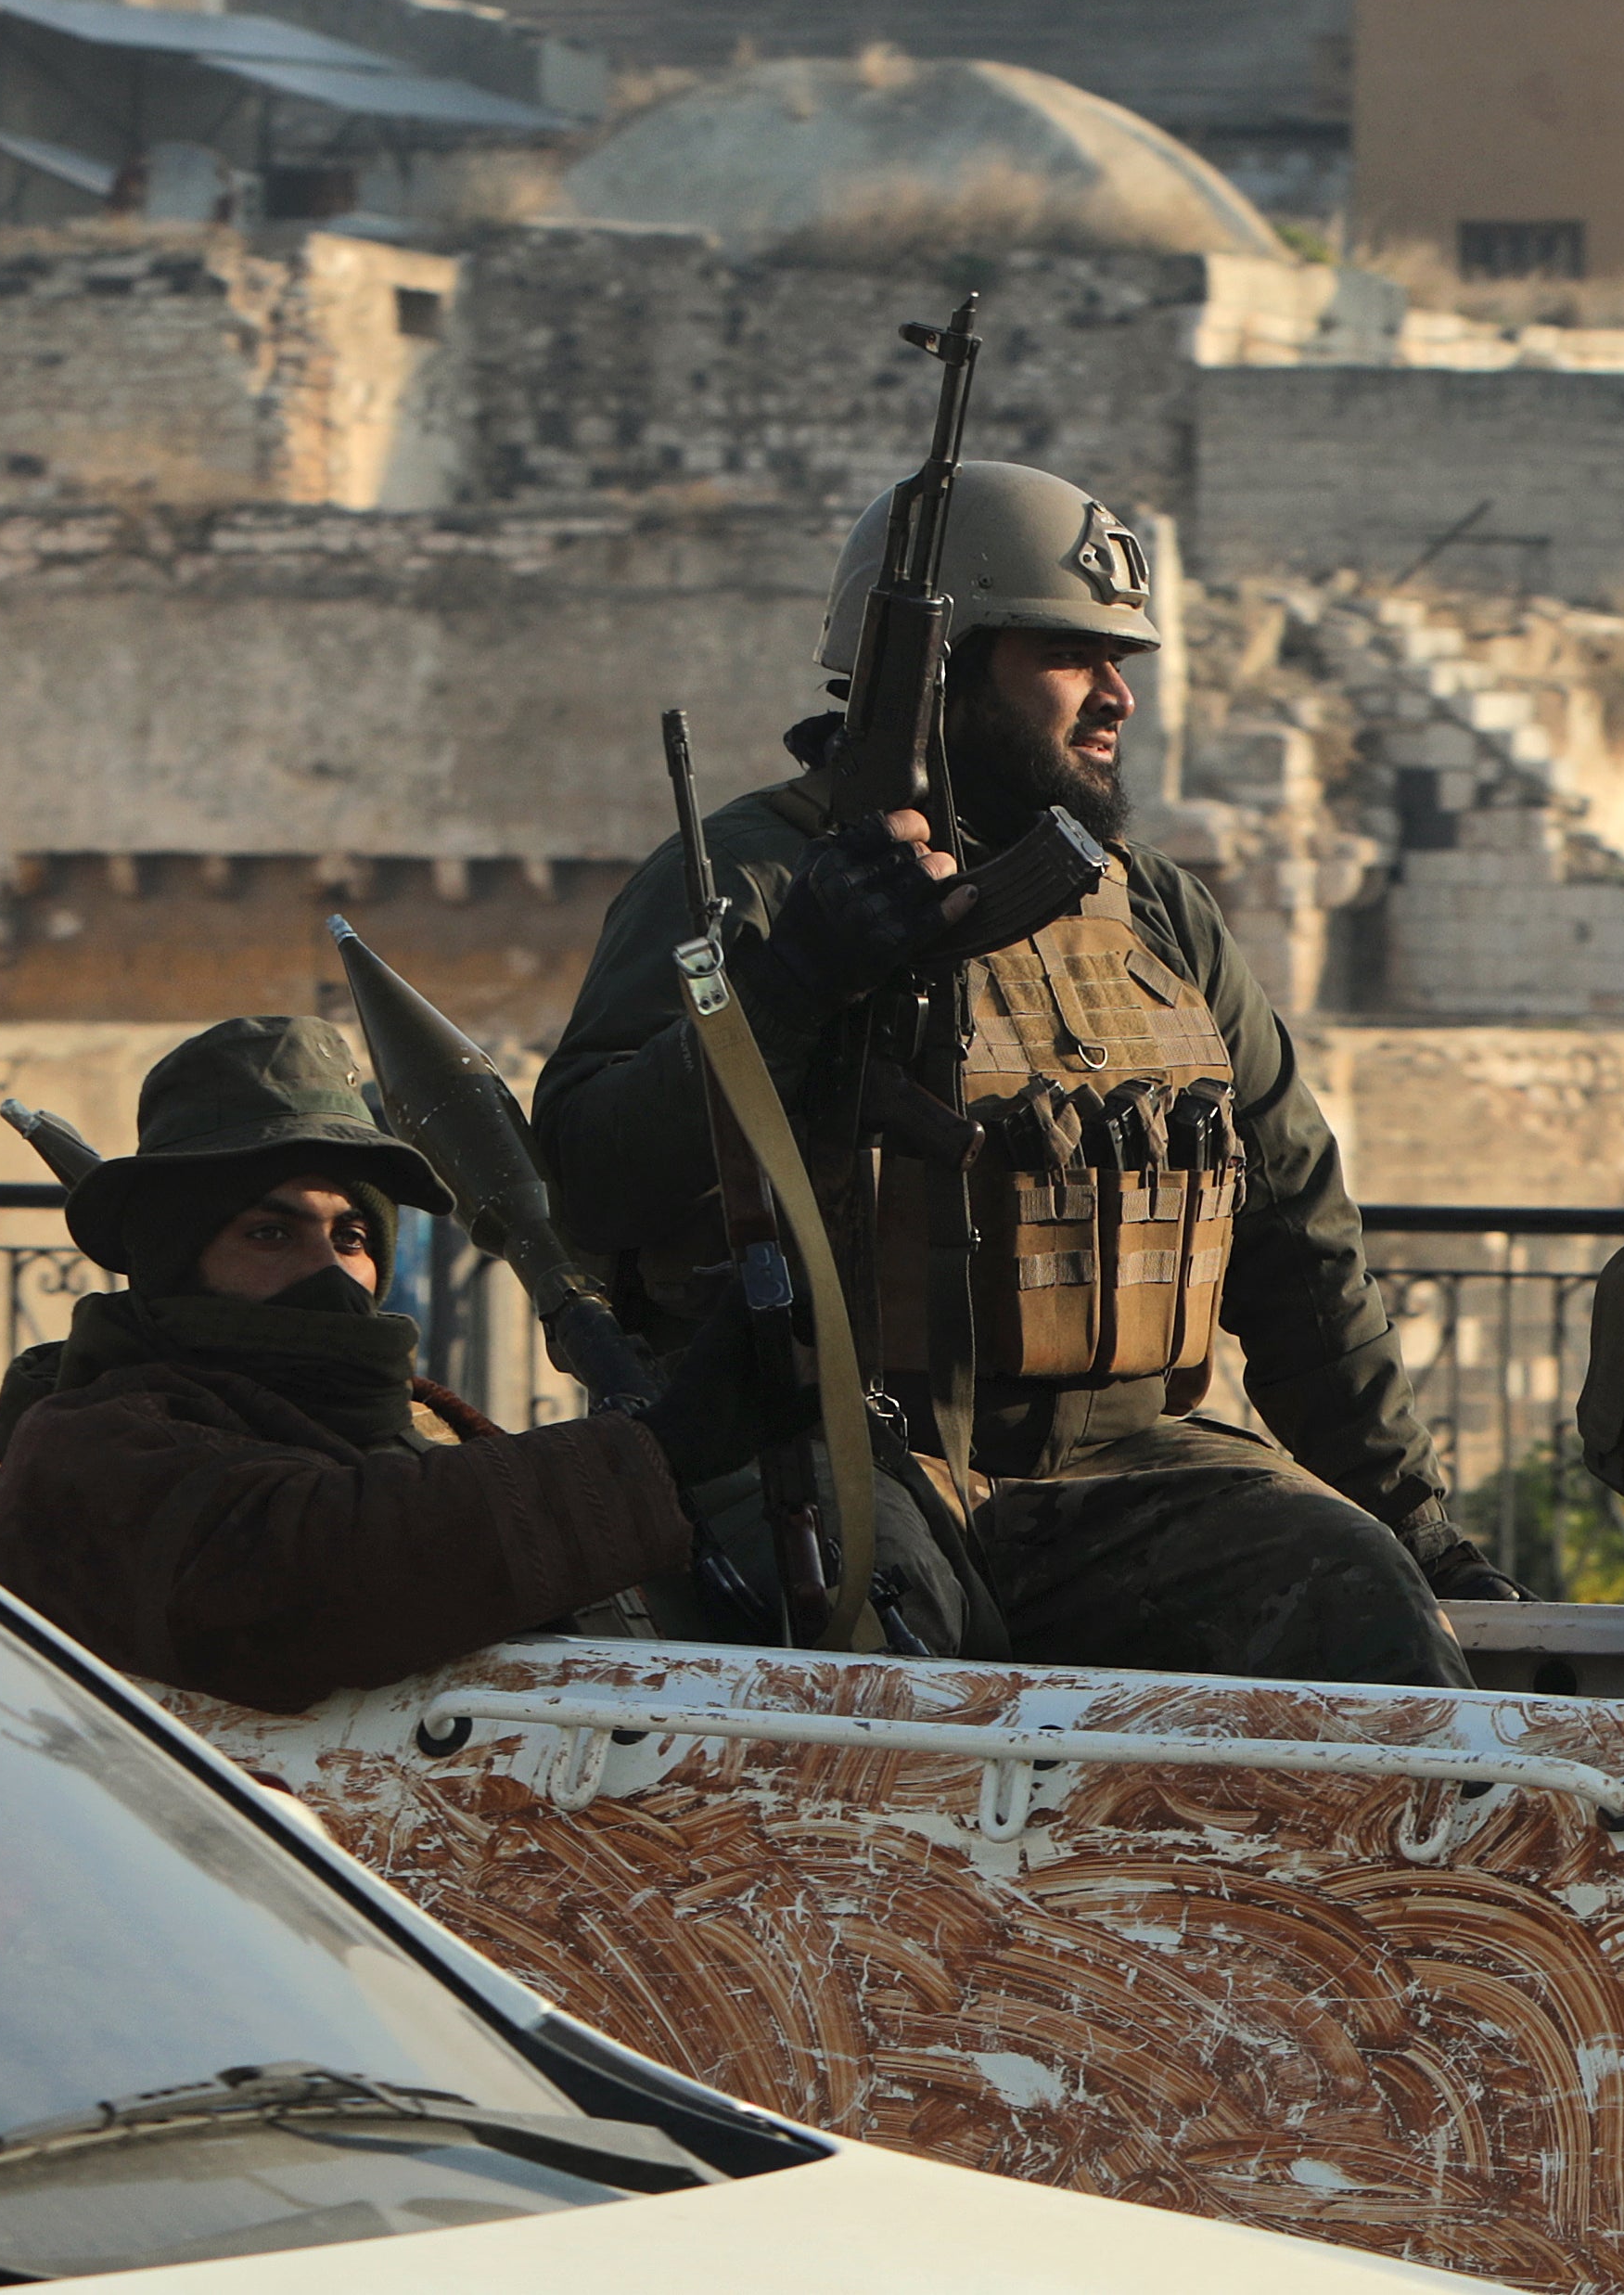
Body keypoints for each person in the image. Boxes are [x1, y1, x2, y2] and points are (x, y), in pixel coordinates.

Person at [538, 462, 1501, 1689]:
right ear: (937, 670)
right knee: (862, 1666)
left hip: (1130, 1465)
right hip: (834, 1447)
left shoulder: (1150, 904)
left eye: (1121, 660)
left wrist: (1417, 1527)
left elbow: (1295, 1233)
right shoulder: (752, 876)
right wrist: (794, 983)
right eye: (1069, 656)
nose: (1117, 696)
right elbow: (588, 1176)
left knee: (1365, 1601)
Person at [0, 1018, 748, 1712]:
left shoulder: (425, 1423)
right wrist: (665, 1450)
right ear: (177, 1259)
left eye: (350, 1238)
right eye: (271, 1236)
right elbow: (328, 1572)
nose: (333, 1272)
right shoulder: (87, 1449)